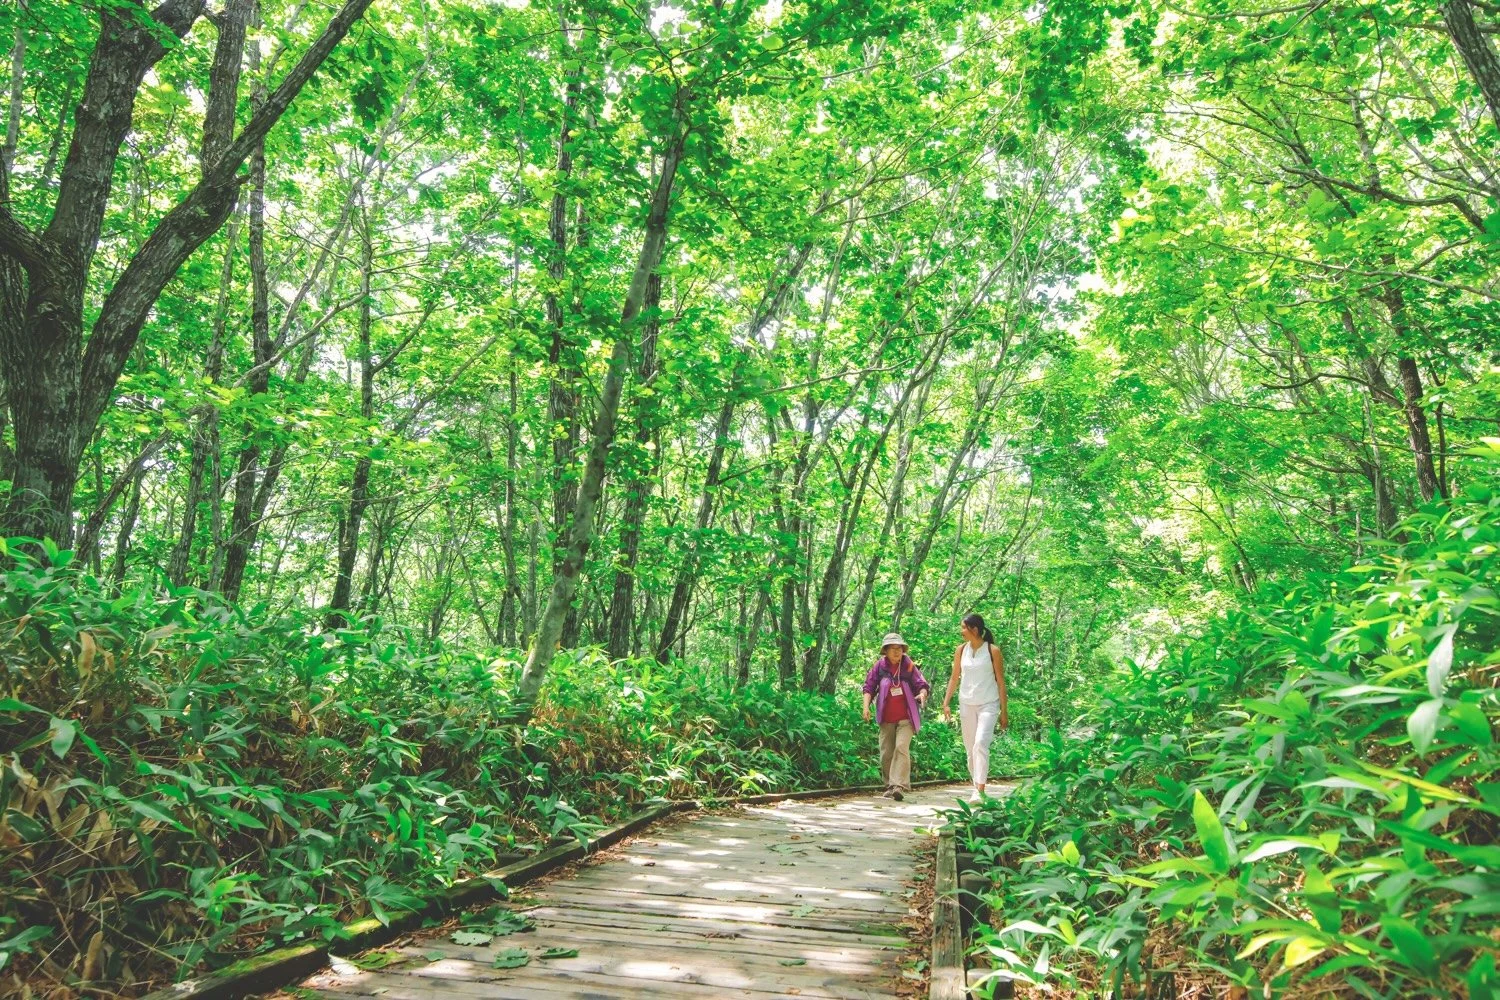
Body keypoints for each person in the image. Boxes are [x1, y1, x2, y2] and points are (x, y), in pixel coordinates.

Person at [940, 613, 1008, 802]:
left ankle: (980, 789)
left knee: (980, 744)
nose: (961, 631)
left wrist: (1004, 711)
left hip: (988, 703)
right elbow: (954, 677)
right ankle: (976, 786)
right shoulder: (961, 650)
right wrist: (946, 702)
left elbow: (1001, 682)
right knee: (970, 749)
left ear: (975, 630)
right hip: (966, 704)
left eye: (964, 628)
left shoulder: (993, 650)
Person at [862, 632, 931, 801]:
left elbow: (922, 684)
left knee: (901, 747)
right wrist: (866, 707)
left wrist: (922, 694)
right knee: (886, 752)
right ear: (885, 650)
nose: (896, 651)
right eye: (892, 648)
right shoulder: (880, 666)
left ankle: (898, 785)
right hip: (886, 717)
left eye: (899, 648)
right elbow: (869, 687)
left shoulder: (908, 665)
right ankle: (889, 785)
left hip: (906, 717)